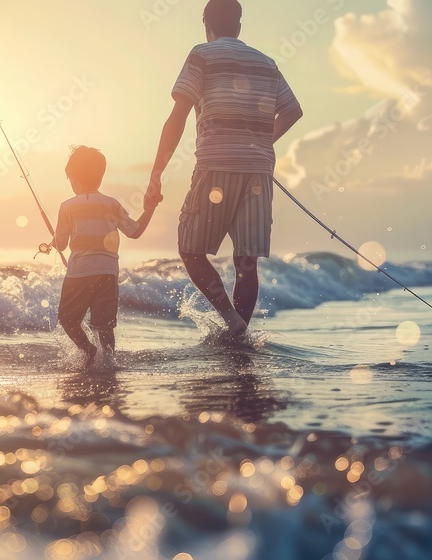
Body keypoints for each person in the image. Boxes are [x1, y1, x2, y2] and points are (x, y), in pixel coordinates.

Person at [145, 0, 304, 339]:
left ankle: (231, 320)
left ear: (207, 25)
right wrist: (264, 141)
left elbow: (178, 116)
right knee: (246, 261)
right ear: (239, 26)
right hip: (258, 171)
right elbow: (293, 111)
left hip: (216, 164)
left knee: (189, 249)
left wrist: (156, 172)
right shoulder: (267, 63)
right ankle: (239, 336)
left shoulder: (202, 54)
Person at [53, 146, 157, 369]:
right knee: (104, 325)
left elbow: (61, 243)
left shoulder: (67, 207)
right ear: (100, 176)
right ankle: (108, 363)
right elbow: (135, 231)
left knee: (68, 319)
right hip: (107, 272)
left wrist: (54, 240)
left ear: (73, 178)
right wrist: (150, 208)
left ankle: (87, 350)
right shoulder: (112, 204)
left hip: (79, 273)